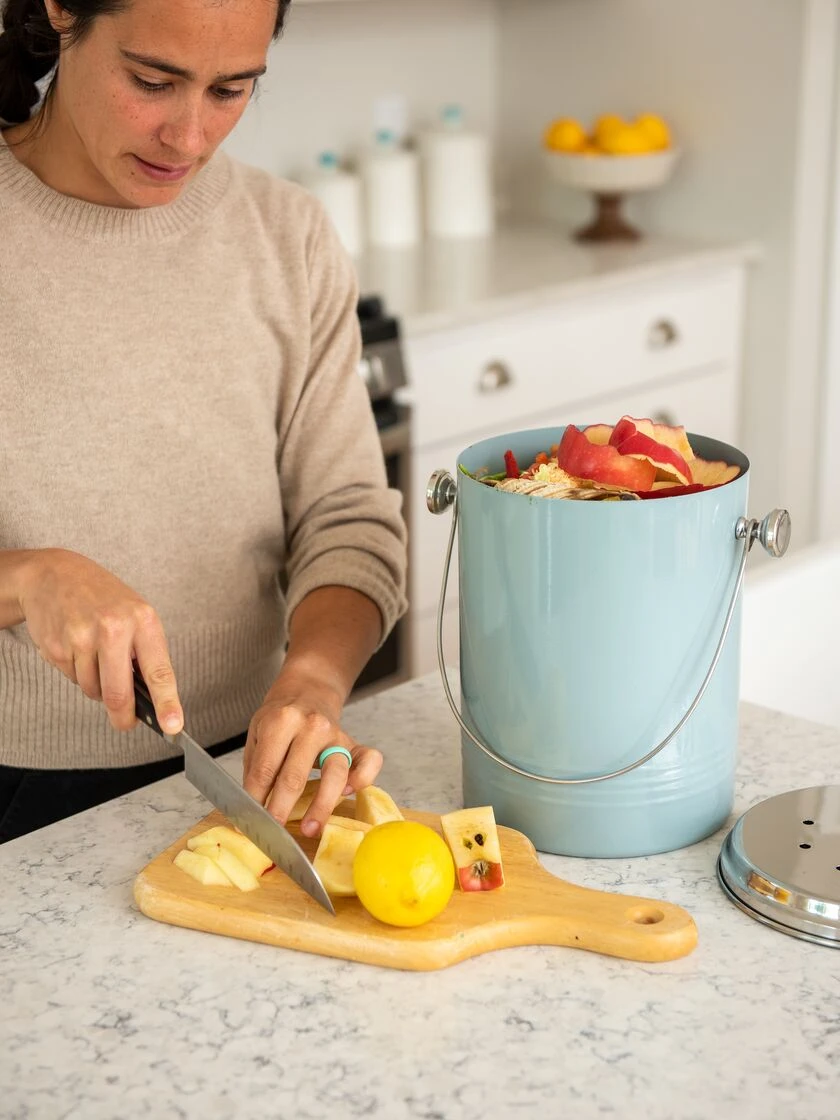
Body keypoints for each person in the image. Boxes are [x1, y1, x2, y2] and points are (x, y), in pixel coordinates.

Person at [0, 0, 408, 844]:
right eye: (153, 81)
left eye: (231, 90)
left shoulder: (285, 234)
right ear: (62, 12)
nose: (188, 137)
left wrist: (315, 682)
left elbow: (349, 518)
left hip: (243, 772)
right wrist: (26, 578)